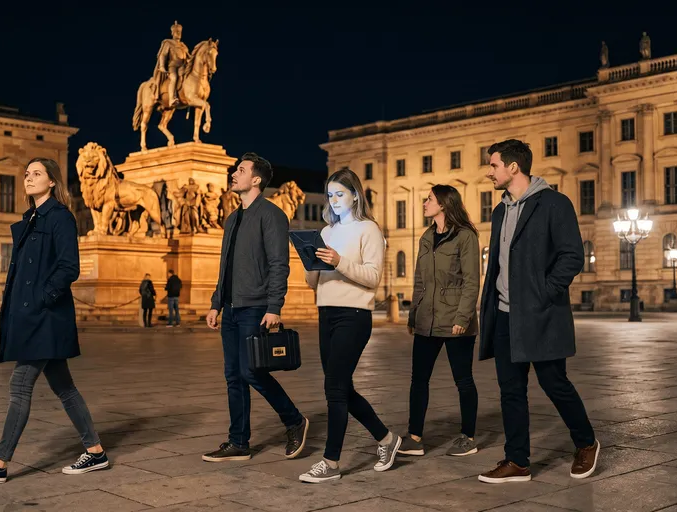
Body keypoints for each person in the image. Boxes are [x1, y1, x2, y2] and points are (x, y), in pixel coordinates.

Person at [0, 158, 107, 484]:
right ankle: (95, 452)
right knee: (64, 387)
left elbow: (69, 266)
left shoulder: (60, 217)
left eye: (37, 173)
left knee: (20, 384)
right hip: (34, 316)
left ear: (52, 181)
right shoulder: (31, 218)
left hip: (45, 317)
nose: (29, 178)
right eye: (26, 174)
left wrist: (41, 299)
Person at [478, 139, 599, 484]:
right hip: (504, 314)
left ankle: (586, 443)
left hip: (540, 313)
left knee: (554, 383)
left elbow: (572, 256)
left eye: (494, 165)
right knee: (510, 390)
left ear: (513, 167)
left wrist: (543, 293)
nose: (490, 172)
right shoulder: (500, 211)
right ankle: (517, 461)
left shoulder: (554, 204)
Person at [203, 152, 309, 462]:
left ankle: (294, 421)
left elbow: (279, 263)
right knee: (233, 376)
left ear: (256, 179)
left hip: (256, 307)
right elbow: (225, 266)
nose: (234, 173)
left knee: (251, 372)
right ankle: (238, 442)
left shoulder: (272, 215)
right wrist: (216, 303)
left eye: (241, 169)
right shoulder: (232, 218)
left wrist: (274, 306)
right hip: (231, 309)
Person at [298, 168, 401, 484]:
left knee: (334, 388)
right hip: (326, 313)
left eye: (339, 194)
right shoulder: (327, 232)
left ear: (355, 195)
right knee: (342, 387)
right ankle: (387, 439)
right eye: (330, 194)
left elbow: (373, 277)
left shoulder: (368, 229)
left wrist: (338, 261)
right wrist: (311, 263)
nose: (333, 200)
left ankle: (330, 462)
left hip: (354, 315)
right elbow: (314, 282)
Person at [401, 184, 480, 459]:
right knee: (418, 380)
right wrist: (413, 315)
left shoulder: (465, 236)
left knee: (463, 380)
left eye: (429, 199)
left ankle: (468, 437)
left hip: (456, 321)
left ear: (444, 204)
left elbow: (471, 281)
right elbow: (419, 281)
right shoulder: (426, 236)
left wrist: (463, 317)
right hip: (427, 320)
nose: (424, 203)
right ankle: (414, 437)